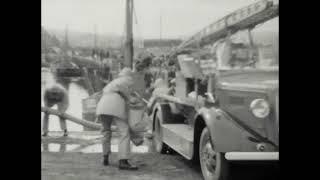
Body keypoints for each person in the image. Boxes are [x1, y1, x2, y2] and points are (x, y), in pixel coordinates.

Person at [96, 67, 144, 170]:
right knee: (124, 131)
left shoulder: (114, 81)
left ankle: (105, 157)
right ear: (130, 75)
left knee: (105, 131)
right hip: (115, 104)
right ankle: (123, 161)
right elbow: (130, 99)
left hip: (102, 105)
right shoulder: (128, 80)